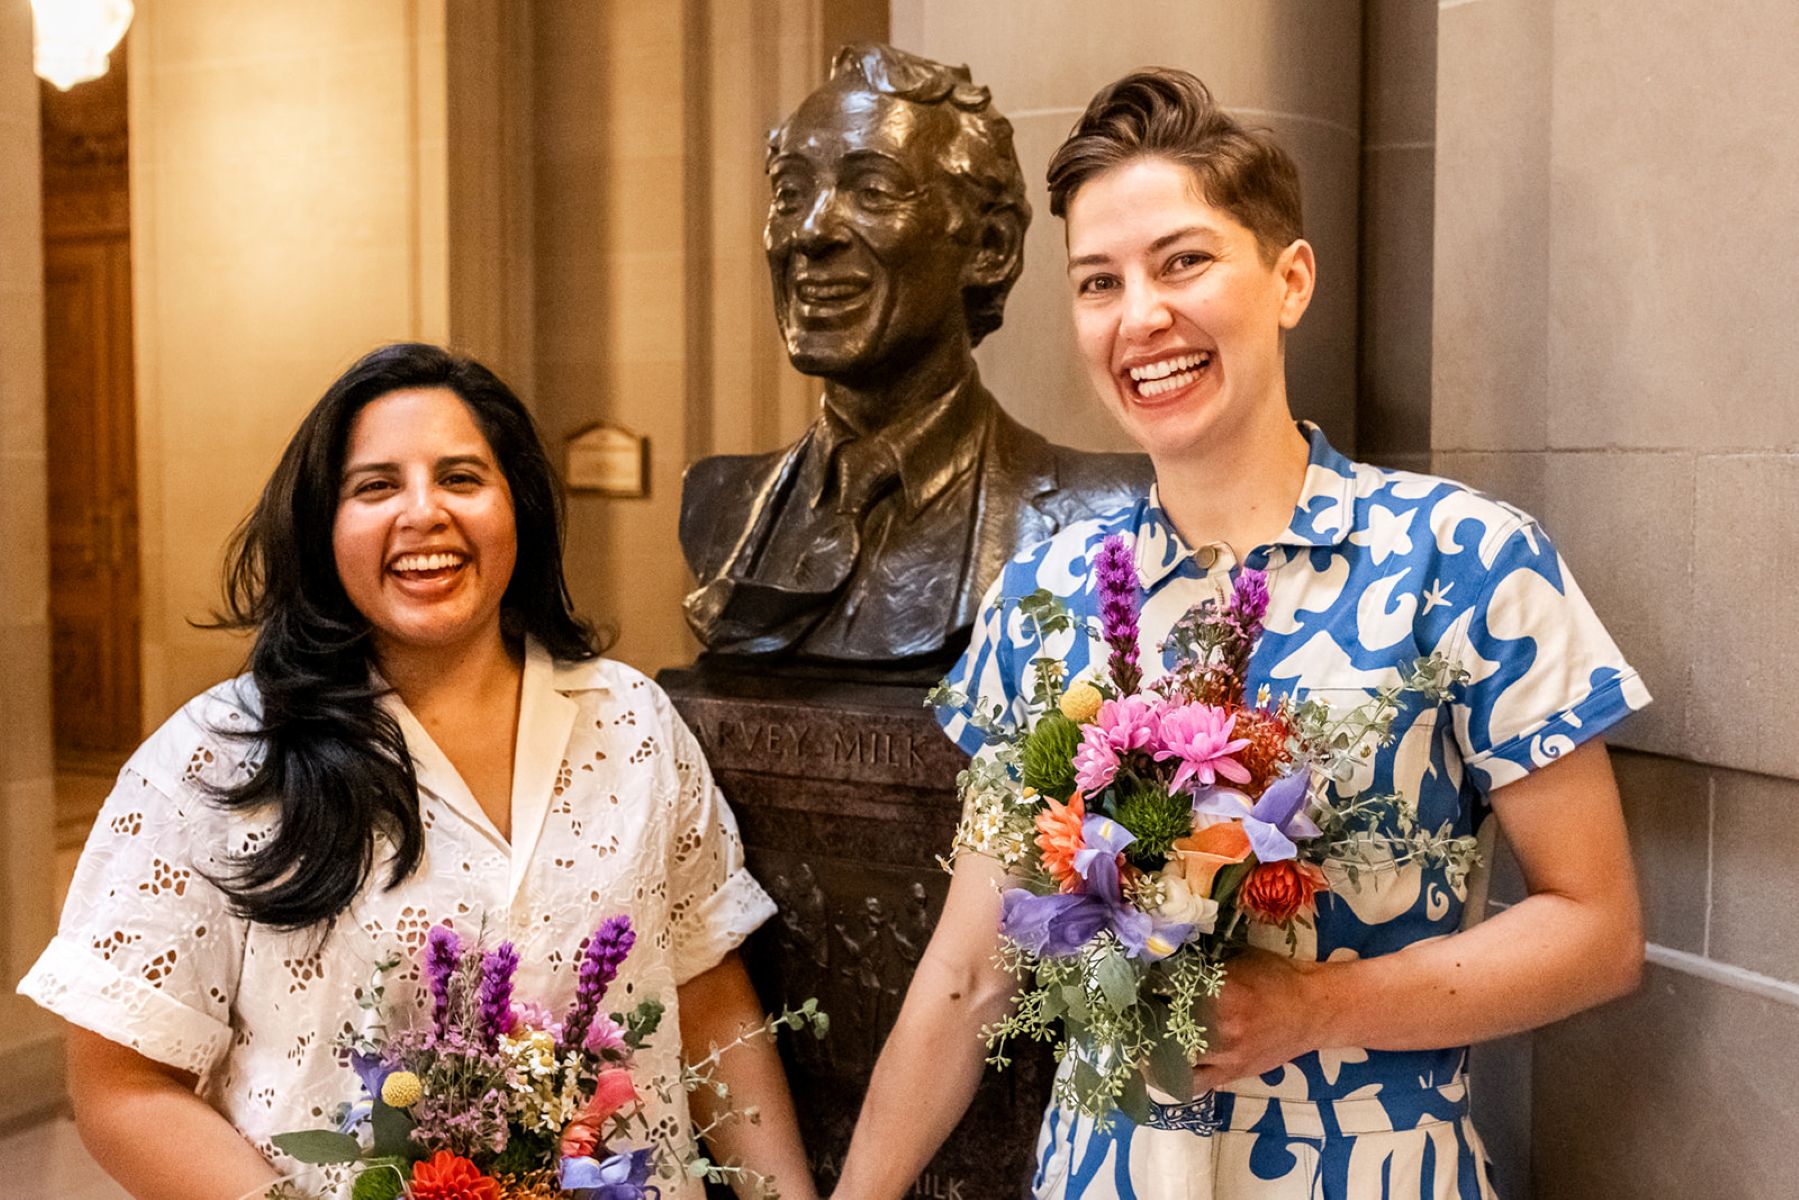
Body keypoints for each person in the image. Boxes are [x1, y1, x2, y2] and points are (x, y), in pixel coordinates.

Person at [833, 70, 1646, 1199]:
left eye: (1183, 262)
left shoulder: (1462, 559)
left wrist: (1312, 1007)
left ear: (1288, 279)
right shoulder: (1046, 591)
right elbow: (969, 975)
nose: (1140, 318)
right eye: (1097, 283)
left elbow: (1593, 928)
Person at [20, 344, 817, 1200]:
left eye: (461, 477)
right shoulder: (219, 757)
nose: (423, 512)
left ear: (519, 509)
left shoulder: (632, 723)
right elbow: (122, 1087)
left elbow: (705, 997)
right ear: (322, 528)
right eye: (375, 487)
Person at [679, 42, 1149, 665]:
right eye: (790, 193)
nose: (811, 231)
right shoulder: (719, 502)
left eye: (872, 191)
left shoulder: (1110, 517)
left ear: (991, 246)